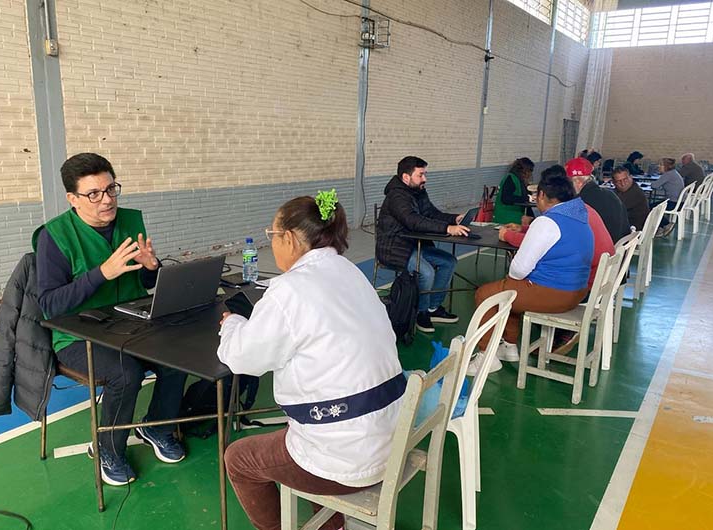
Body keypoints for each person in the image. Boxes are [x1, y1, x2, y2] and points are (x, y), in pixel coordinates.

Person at [219, 193, 404, 530]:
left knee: (239, 459)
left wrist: (232, 324)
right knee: (309, 428)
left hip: (347, 457)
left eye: (272, 236)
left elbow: (241, 359)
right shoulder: (349, 271)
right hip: (392, 437)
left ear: (289, 238)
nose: (272, 244)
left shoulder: (288, 291)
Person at [34, 153, 187, 486]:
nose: (106, 200)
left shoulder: (130, 221)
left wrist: (152, 268)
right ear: (73, 199)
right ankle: (108, 449)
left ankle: (156, 427)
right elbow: (49, 304)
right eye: (94, 194)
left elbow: (146, 284)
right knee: (125, 374)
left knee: (178, 357)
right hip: (77, 335)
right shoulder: (54, 236)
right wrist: (101, 273)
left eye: (111, 189)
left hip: (131, 323)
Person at [474, 165, 594, 361]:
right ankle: (509, 348)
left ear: (542, 195)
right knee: (512, 289)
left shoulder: (547, 222)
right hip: (578, 291)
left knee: (486, 293)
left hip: (556, 294)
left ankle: (486, 357)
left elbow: (518, 270)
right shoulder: (579, 216)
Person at [375, 156, 468, 333]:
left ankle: (433, 308)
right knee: (426, 272)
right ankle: (421, 313)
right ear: (406, 177)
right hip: (394, 248)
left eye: (425, 174)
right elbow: (413, 221)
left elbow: (431, 213)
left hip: (413, 245)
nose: (425, 178)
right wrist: (448, 228)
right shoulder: (397, 196)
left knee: (449, 262)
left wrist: (454, 219)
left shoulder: (418, 191)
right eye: (420, 175)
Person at [499, 178, 613, 291]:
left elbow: (536, 244)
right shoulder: (579, 210)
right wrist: (523, 229)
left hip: (581, 284)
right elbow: (554, 235)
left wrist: (507, 235)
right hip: (599, 275)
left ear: (542, 195)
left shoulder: (557, 218)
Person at [565, 157, 630, 243]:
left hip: (602, 248)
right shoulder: (610, 194)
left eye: (568, 182)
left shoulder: (581, 203)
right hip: (618, 246)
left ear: (577, 181)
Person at [493, 157, 535, 224]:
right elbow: (506, 198)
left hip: (516, 216)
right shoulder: (510, 178)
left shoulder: (519, 180)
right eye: (530, 171)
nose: (530, 174)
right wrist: (527, 198)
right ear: (525, 170)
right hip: (507, 217)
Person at [653, 157, 686, 237]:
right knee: (654, 205)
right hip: (679, 202)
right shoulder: (673, 173)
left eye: (661, 165)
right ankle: (662, 226)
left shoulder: (668, 175)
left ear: (666, 166)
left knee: (651, 208)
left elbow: (654, 185)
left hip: (673, 203)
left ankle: (665, 225)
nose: (658, 166)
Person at [612, 166, 650, 231]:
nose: (623, 184)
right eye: (618, 181)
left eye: (625, 179)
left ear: (631, 177)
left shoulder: (636, 193)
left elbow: (614, 210)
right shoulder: (622, 191)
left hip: (634, 230)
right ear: (614, 183)